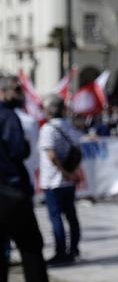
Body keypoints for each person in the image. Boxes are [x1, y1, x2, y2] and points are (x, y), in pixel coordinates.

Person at [0, 73, 66, 282]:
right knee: (30, 244)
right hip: (11, 188)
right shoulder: (8, 117)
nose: (20, 94)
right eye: (16, 90)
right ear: (4, 92)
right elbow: (18, 150)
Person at [38, 95, 83, 265]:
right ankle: (73, 249)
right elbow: (78, 151)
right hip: (67, 180)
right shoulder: (69, 127)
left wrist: (65, 172)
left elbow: (51, 155)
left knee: (56, 217)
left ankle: (61, 252)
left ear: (48, 110)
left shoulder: (47, 129)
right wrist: (72, 172)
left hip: (54, 180)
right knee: (71, 216)